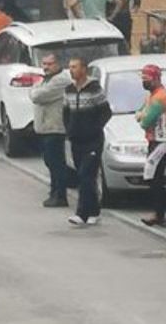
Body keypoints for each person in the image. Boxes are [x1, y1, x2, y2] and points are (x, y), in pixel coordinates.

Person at [63, 57, 112, 226]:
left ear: (83, 69)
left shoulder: (94, 89)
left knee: (86, 174)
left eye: (75, 67)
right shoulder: (68, 90)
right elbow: (66, 113)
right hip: (76, 140)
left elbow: (106, 112)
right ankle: (94, 210)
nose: (71, 70)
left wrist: (94, 128)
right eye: (70, 67)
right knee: (85, 177)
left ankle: (81, 213)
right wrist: (69, 130)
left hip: (93, 140)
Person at [135, 64, 166, 227]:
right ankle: (161, 212)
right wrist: (142, 114)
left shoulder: (160, 97)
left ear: (156, 79)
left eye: (147, 79)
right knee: (154, 177)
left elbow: (145, 121)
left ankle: (165, 211)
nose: (144, 82)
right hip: (154, 140)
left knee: (153, 176)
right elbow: (140, 112)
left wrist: (142, 116)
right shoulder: (151, 95)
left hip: (162, 141)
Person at [31, 54, 73, 207]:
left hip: (55, 129)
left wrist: (35, 89)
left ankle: (60, 195)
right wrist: (35, 88)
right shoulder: (46, 79)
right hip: (46, 128)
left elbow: (37, 96)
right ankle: (54, 192)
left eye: (49, 64)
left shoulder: (60, 80)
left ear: (58, 64)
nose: (46, 67)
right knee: (50, 162)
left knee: (56, 164)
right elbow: (35, 91)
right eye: (44, 63)